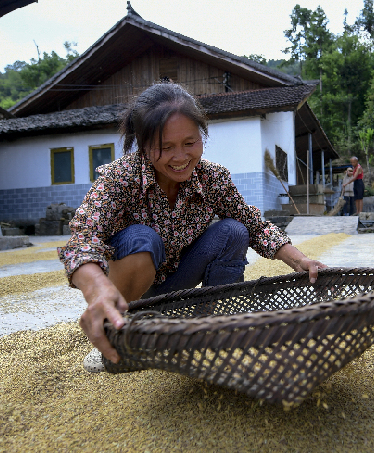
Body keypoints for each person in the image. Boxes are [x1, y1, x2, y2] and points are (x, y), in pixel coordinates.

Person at [58, 81, 327, 372]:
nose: (180, 157)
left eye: (190, 143)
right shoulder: (121, 177)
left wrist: (300, 260)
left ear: (201, 136)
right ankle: (118, 329)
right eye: (165, 147)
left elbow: (254, 225)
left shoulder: (213, 178)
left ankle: (212, 328)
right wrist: (97, 291)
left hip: (178, 282)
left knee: (234, 231)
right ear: (145, 146)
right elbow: (83, 237)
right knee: (141, 238)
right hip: (131, 286)